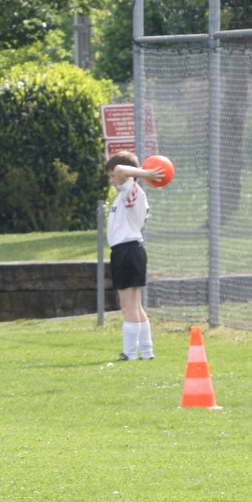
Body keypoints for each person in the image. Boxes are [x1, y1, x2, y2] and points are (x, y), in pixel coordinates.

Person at [105, 151, 163, 361]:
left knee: (127, 306)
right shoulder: (126, 194)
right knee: (135, 306)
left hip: (127, 251)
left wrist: (146, 173)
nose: (112, 180)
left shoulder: (130, 190)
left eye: (112, 176)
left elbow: (121, 169)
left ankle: (129, 353)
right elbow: (121, 170)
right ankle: (146, 351)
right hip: (129, 251)